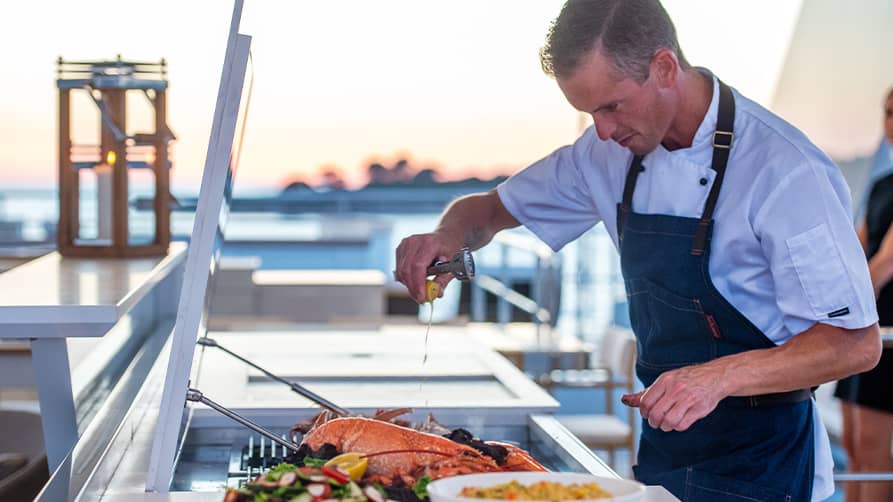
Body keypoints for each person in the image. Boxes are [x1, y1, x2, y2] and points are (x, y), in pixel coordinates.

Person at [393, 1, 882, 500]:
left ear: (665, 68)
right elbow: (487, 210)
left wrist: (718, 377)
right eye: (588, 113)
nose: (602, 130)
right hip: (666, 448)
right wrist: (447, 236)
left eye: (611, 106)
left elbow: (853, 343)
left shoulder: (784, 170)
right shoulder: (606, 154)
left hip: (767, 459)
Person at [834, 87, 893, 502]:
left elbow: (886, 264)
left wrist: (842, 312)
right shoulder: (882, 186)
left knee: (873, 453)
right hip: (863, 323)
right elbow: (853, 251)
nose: (891, 120)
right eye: (888, 111)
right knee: (854, 449)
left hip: (884, 326)